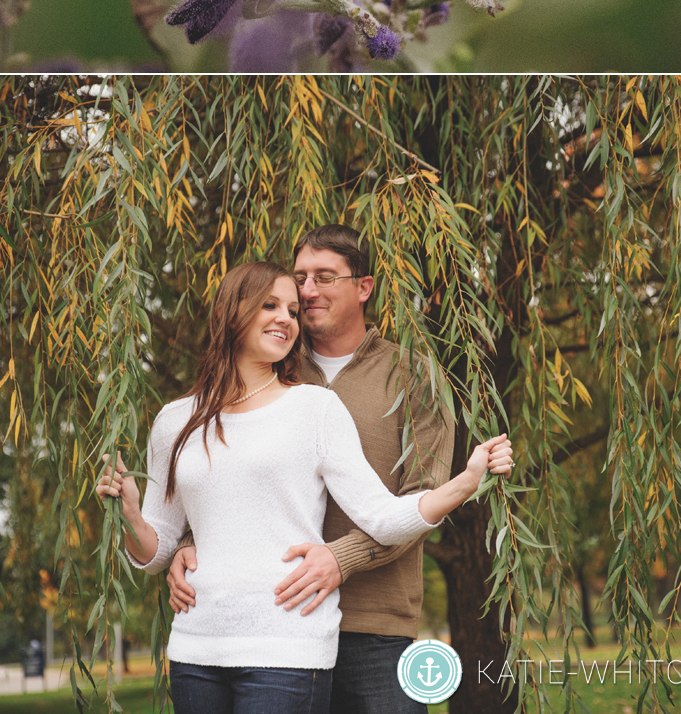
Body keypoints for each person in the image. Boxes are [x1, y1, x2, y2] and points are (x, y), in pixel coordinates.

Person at [97, 254, 511, 714]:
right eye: (270, 306)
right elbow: (156, 553)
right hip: (196, 649)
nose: (287, 319)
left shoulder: (314, 409)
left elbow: (381, 516)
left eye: (292, 311)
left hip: (287, 649)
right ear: (232, 310)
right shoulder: (175, 421)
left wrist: (466, 481)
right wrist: (131, 513)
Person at [168, 227, 458, 714]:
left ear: (363, 287)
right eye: (300, 277)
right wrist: (187, 545)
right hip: (273, 626)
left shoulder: (414, 376)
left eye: (324, 277)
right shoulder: (265, 365)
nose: (306, 291)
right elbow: (215, 472)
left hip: (375, 626)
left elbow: (424, 497)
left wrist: (339, 557)